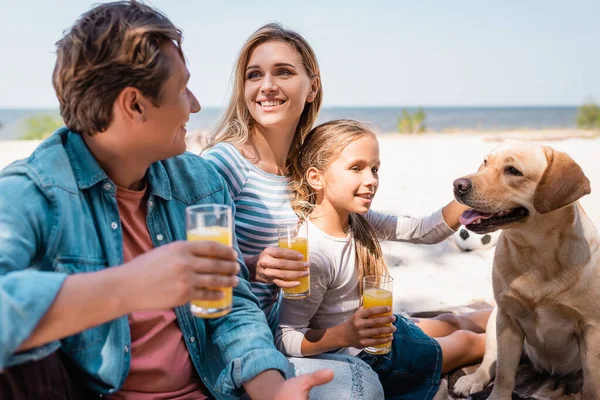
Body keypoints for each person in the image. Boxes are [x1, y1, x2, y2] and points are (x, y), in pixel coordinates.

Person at [0, 2, 332, 399]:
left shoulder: (200, 183)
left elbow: (233, 307)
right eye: (182, 89)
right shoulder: (33, 193)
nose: (194, 104)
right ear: (134, 105)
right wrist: (129, 286)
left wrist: (272, 390)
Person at [202, 23, 385, 399]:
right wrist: (253, 264)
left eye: (283, 72)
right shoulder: (224, 164)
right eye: (254, 75)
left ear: (312, 87)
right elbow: (203, 272)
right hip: (242, 346)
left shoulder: (306, 168)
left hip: (292, 331)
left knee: (413, 338)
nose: (266, 85)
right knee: (364, 383)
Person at [276, 119, 491, 400]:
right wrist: (345, 335)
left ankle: (520, 318)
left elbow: (424, 230)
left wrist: (474, 190)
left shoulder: (356, 219)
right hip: (372, 358)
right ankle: (535, 345)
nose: (371, 180)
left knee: (451, 320)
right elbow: (286, 337)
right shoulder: (313, 254)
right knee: (467, 343)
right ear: (315, 177)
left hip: (385, 331)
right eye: (356, 168)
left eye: (375, 169)